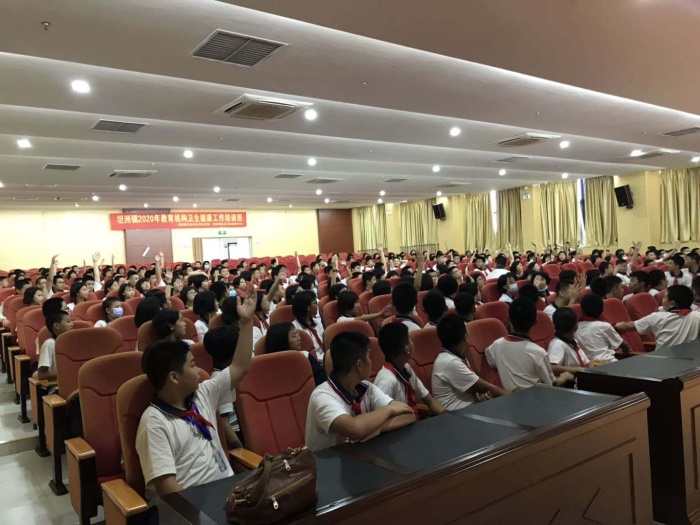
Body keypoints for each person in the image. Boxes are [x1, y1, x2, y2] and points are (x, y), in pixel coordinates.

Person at [135, 283, 255, 498]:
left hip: (229, 493)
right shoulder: (155, 423)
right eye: (192, 365)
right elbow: (169, 489)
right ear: (174, 377)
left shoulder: (202, 394)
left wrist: (246, 322)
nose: (199, 370)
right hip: (192, 505)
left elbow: (240, 367)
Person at [304, 331, 415, 451]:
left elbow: (409, 415)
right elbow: (355, 429)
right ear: (359, 365)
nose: (371, 362)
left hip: (363, 455)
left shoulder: (366, 387)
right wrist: (389, 409)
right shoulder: (322, 396)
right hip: (327, 461)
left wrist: (378, 428)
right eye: (368, 357)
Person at [485, 299, 574, 390]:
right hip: (537, 397)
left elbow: (491, 360)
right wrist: (564, 377)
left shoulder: (496, 345)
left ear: (508, 319)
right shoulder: (538, 353)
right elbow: (551, 385)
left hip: (510, 396)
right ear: (535, 321)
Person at [432, 314, 505, 410]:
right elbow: (486, 388)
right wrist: (511, 396)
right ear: (465, 336)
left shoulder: (455, 356)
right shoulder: (450, 362)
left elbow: (473, 389)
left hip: (470, 408)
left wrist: (480, 397)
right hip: (456, 414)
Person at [375, 323, 445, 418]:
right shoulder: (386, 382)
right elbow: (379, 419)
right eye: (410, 339)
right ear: (406, 349)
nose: (412, 342)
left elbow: (430, 400)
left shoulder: (406, 368)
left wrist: (448, 416)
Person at [615, 285, 700, 349]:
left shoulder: (657, 317)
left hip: (662, 362)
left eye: (664, 298)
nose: (662, 300)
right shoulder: (697, 316)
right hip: (691, 362)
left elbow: (628, 326)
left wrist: (617, 324)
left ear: (672, 303)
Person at [203, 326, 244, 450]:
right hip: (238, 435)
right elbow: (224, 423)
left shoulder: (230, 373)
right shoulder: (221, 378)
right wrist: (241, 448)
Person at [576, 294, 629, 363]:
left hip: (589, 366)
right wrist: (626, 350)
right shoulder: (604, 326)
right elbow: (624, 346)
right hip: (610, 363)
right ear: (602, 310)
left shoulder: (575, 328)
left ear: (582, 310)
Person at [547, 307, 595, 374]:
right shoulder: (557, 344)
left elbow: (587, 363)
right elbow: (552, 368)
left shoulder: (573, 342)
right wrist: (578, 370)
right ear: (576, 326)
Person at [37, 310, 73, 381]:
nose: (72, 324)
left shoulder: (73, 342)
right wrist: (67, 373)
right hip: (57, 384)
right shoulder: (49, 344)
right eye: (68, 321)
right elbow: (41, 374)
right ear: (56, 325)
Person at [292, 290, 325, 362]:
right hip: (312, 361)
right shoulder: (295, 327)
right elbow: (301, 353)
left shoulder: (317, 322)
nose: (317, 305)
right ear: (307, 308)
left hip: (325, 356)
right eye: (315, 303)